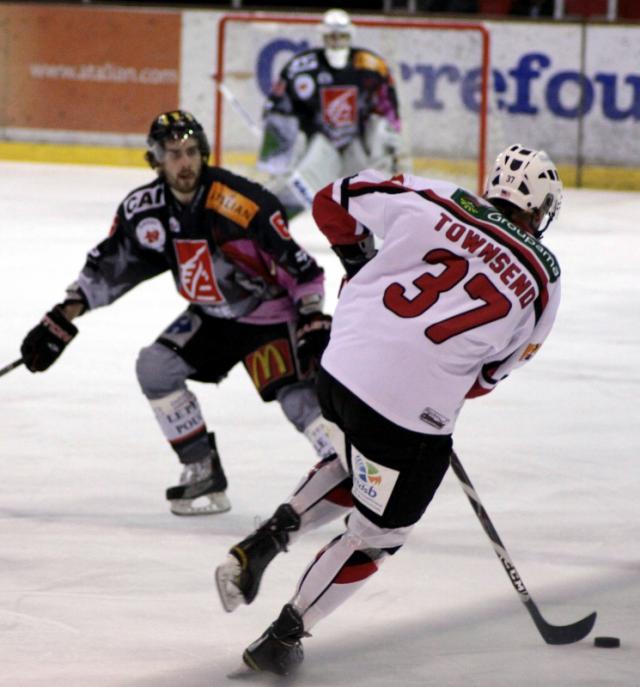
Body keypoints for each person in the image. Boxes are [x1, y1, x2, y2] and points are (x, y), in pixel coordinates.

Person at [215, 143, 563, 675]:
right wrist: (427, 388)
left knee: (364, 461)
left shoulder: (436, 196)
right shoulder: (543, 276)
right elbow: (490, 377)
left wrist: (359, 261)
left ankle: (270, 536)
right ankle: (281, 639)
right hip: (406, 418)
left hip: (337, 371)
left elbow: (332, 200)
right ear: (539, 210)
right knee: (379, 533)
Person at [19, 109, 337, 516]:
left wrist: (311, 318)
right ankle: (201, 468)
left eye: (190, 152)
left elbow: (303, 269)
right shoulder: (144, 210)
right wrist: (64, 315)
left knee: (301, 405)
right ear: (156, 159)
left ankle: (355, 477)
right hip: (211, 317)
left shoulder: (241, 203)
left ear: (203, 153)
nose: (184, 163)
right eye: (173, 154)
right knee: (155, 367)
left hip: (270, 317)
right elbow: (111, 265)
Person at [257, 8, 402, 219]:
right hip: (322, 143)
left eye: (341, 36)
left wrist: (392, 153)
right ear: (322, 36)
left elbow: (389, 113)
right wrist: (277, 153)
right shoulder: (302, 68)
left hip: (357, 146)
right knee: (298, 192)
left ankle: (392, 228)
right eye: (331, 36)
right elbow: (278, 110)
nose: (336, 42)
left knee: (376, 198)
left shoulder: (372, 67)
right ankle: (270, 232)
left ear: (350, 36)